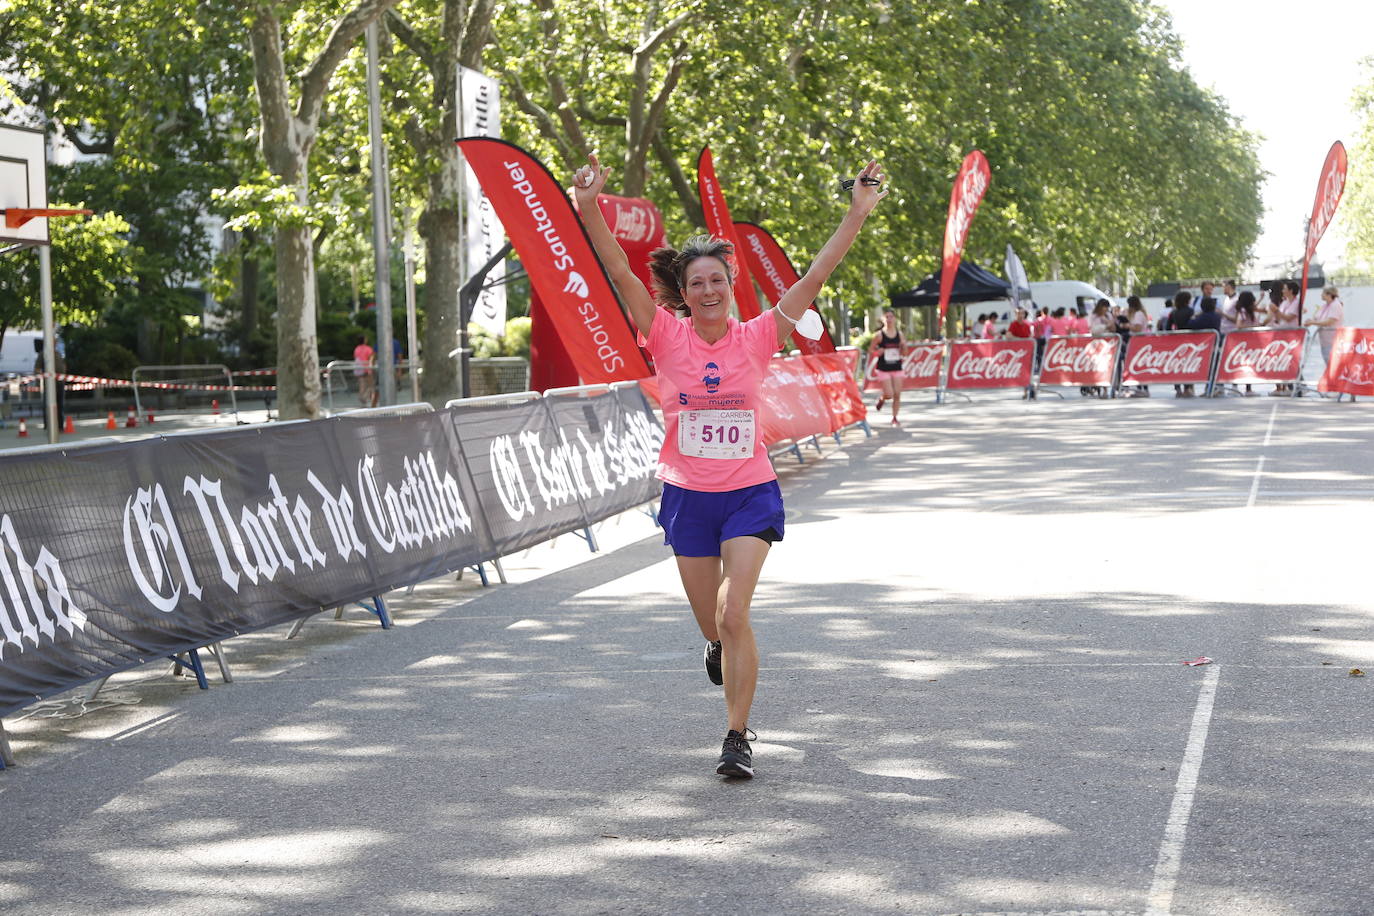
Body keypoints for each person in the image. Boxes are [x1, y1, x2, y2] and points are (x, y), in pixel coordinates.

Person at [572, 153, 886, 779]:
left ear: (730, 283)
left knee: (735, 609)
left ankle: (736, 735)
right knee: (712, 622)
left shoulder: (760, 336)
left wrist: (857, 212)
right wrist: (586, 206)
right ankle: (716, 646)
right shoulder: (663, 335)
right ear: (684, 295)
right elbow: (616, 270)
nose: (708, 290)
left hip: (749, 492)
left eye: (717, 279)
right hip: (688, 494)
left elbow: (817, 274)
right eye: (696, 283)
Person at [868, 308, 905, 426]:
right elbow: (870, 350)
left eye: (891, 317)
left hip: (897, 366)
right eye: (887, 317)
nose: (889, 319)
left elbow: (905, 353)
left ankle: (895, 418)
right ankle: (882, 399)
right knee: (889, 394)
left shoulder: (900, 334)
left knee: (897, 393)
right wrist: (878, 351)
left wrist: (904, 346)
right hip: (884, 368)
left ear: (894, 319)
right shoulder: (879, 335)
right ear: (883, 319)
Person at [1305, 285, 1345, 367]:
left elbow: (1329, 322)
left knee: (1333, 365)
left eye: (1323, 293)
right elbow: (1317, 318)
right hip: (1325, 341)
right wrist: (1310, 321)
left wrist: (1312, 322)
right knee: (1329, 364)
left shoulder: (1335, 305)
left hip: (1333, 341)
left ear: (1329, 294)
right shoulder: (1325, 306)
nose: (1321, 295)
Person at [353, 334, 376, 406]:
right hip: (367, 369)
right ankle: (365, 397)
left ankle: (362, 397)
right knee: (371, 385)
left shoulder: (356, 349)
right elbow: (371, 358)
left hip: (359, 369)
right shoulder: (368, 348)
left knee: (362, 385)